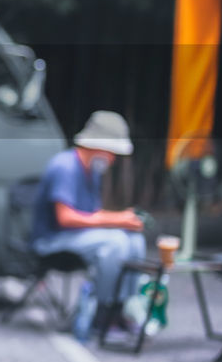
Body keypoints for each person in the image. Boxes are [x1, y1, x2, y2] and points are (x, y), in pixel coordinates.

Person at [30, 110, 147, 320]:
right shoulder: (65, 166)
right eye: (111, 152)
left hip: (78, 236)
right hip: (52, 240)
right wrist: (115, 220)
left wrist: (122, 218)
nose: (112, 159)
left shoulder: (92, 171)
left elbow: (92, 214)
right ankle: (104, 312)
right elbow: (65, 218)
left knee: (134, 240)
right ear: (98, 146)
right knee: (116, 243)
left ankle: (125, 305)